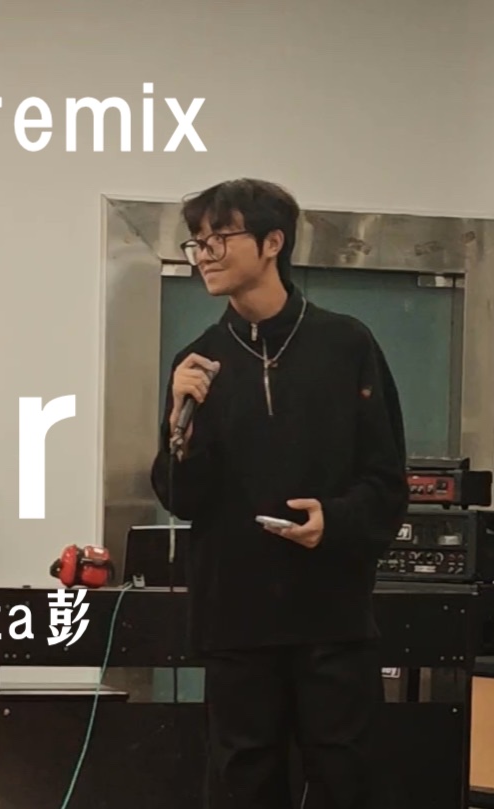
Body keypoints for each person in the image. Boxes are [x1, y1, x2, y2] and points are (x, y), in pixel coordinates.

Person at [150, 178, 408, 808]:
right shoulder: (198, 361)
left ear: (273, 242)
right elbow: (181, 497)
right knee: (241, 779)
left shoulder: (346, 344)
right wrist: (181, 429)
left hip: (330, 610)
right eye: (197, 242)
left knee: (345, 775)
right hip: (235, 615)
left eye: (220, 237)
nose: (204, 254)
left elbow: (386, 480)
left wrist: (335, 521)